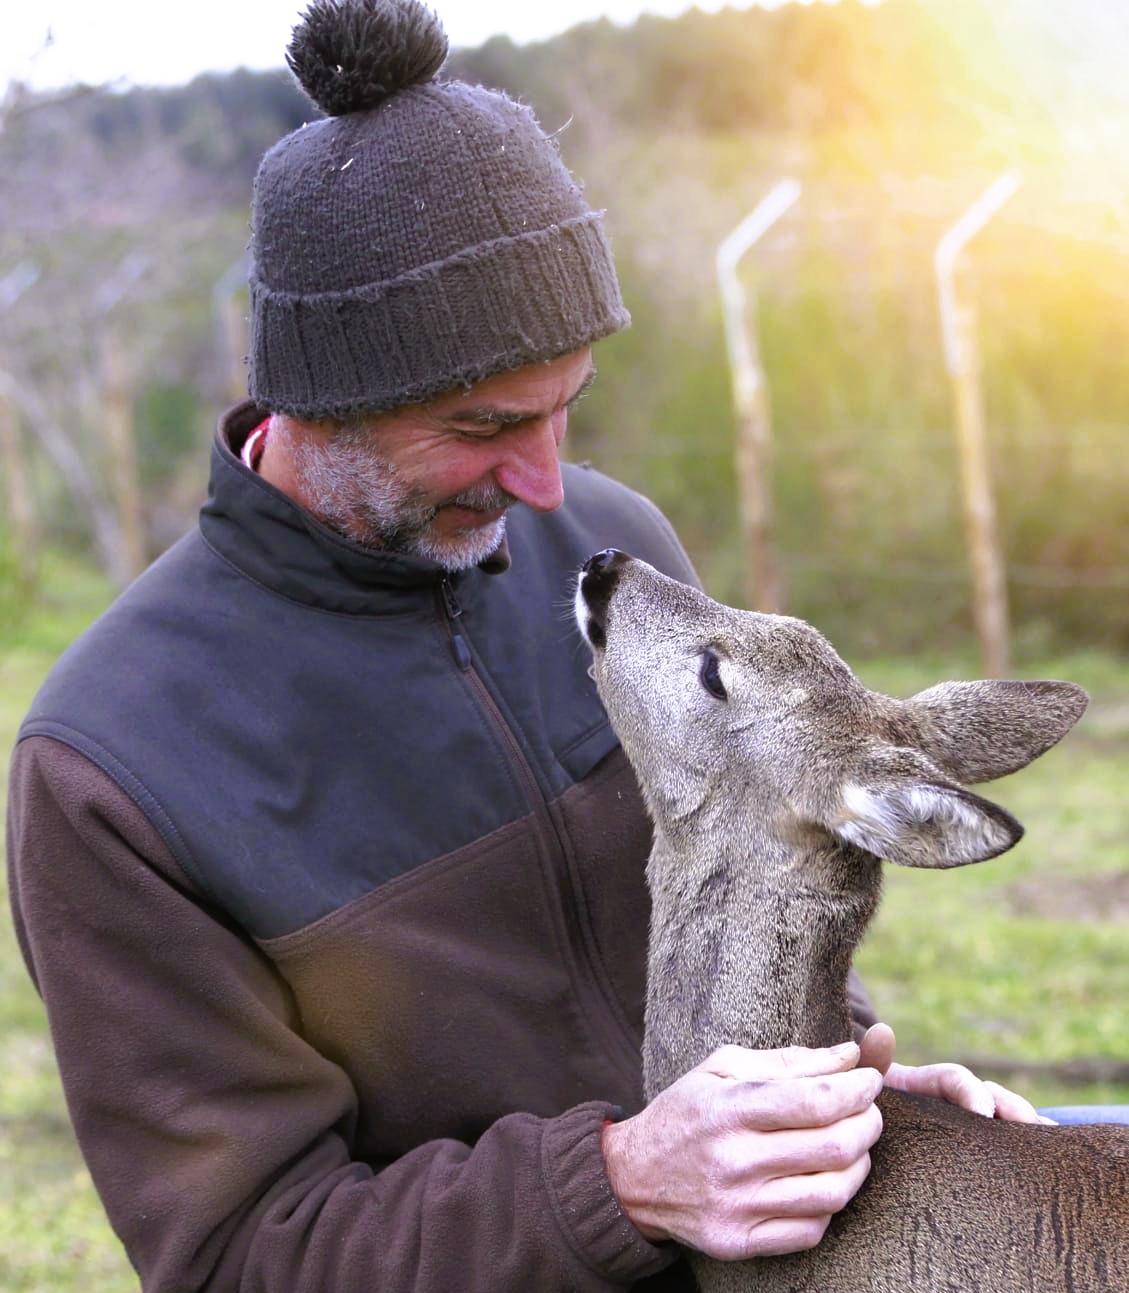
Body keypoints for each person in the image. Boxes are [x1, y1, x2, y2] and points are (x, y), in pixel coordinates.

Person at [6, 2, 1052, 1290]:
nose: (551, 486)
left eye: (570, 407)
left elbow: (743, 898)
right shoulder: (114, 766)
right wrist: (620, 1183)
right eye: (485, 424)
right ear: (317, 398)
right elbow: (237, 1257)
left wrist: (829, 1106)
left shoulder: (613, 547)